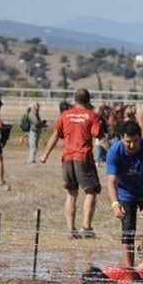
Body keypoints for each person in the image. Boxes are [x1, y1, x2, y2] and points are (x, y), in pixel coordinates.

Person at [40, 88, 104, 239]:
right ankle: (86, 228)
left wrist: (45, 154)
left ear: (75, 99)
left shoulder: (65, 115)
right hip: (83, 157)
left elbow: (55, 136)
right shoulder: (91, 115)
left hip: (67, 157)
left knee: (71, 193)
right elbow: (98, 134)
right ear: (88, 100)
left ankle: (71, 230)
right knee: (90, 192)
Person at [107, 120, 143, 268]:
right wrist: (115, 204)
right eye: (128, 142)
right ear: (122, 138)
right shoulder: (114, 151)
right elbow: (112, 181)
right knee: (128, 232)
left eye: (135, 141)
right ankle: (130, 269)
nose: (132, 145)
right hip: (125, 194)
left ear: (140, 137)